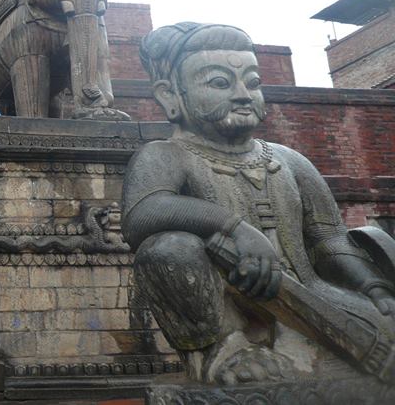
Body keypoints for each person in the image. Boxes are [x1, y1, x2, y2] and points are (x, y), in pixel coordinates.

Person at [122, 22, 395, 386]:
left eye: (252, 82)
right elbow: (143, 213)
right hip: (232, 303)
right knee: (167, 250)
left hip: (310, 296)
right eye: (220, 83)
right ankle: (223, 351)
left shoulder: (289, 160)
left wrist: (373, 286)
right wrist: (234, 228)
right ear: (171, 95)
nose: (242, 94)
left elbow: (329, 238)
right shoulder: (166, 156)